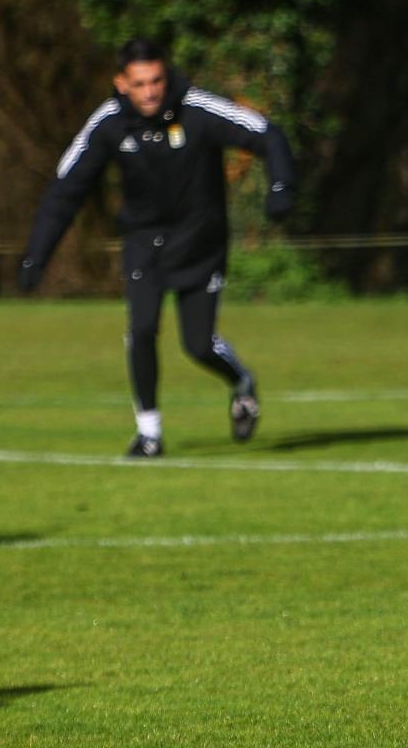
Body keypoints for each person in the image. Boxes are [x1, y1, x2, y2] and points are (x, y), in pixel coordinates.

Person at [18, 38, 295, 457]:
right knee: (142, 328)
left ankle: (241, 382)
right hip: (144, 243)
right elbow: (66, 189)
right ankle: (149, 433)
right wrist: (37, 254)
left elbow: (267, 134)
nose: (150, 92)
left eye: (156, 81)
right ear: (122, 83)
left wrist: (280, 188)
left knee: (198, 344)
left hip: (200, 242)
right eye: (140, 83)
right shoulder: (109, 122)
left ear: (166, 76)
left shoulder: (197, 109)